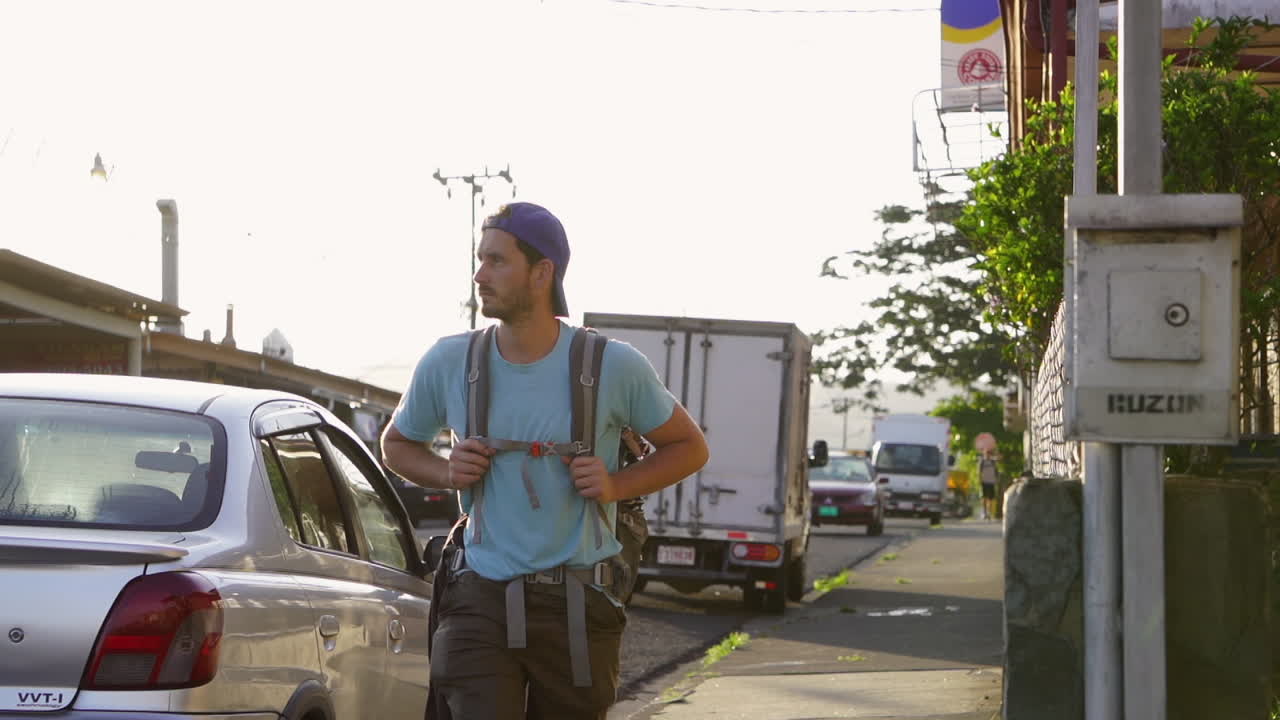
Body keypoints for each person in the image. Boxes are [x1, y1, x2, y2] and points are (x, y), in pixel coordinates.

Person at [381, 201, 710, 719]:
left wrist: (614, 485)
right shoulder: (450, 360)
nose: (479, 275)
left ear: (542, 273)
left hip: (578, 603)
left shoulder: (612, 365)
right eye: (479, 259)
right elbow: (396, 445)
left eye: (496, 261)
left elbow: (690, 447)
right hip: (478, 597)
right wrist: (447, 470)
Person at [978, 449, 999, 520]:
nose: (987, 455)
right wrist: (979, 480)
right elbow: (979, 472)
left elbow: (996, 471)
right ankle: (984, 512)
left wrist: (996, 479)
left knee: (990, 498)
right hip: (984, 481)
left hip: (991, 482)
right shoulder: (982, 462)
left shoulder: (993, 462)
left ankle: (989, 513)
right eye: (986, 454)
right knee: (984, 497)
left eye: (989, 454)